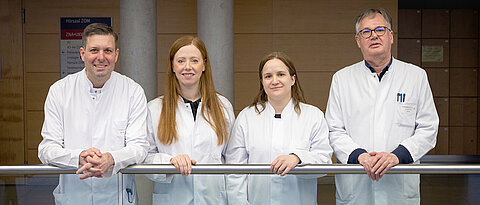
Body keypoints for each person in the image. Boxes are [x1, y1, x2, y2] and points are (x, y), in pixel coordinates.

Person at [326, 8, 439, 204]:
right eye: (366, 32)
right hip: (356, 184)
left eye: (380, 29)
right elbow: (333, 130)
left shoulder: (416, 76)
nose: (374, 36)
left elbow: (428, 128)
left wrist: (397, 157)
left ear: (391, 36)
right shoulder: (341, 79)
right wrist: (359, 156)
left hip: (399, 182)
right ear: (358, 41)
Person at [38, 23, 149, 205]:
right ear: (82, 54)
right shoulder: (59, 91)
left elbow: (140, 147)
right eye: (94, 50)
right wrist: (78, 158)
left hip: (117, 196)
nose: (101, 57)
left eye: (108, 50)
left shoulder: (133, 91)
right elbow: (46, 149)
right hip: (73, 196)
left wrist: (111, 159)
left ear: (116, 55)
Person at [225, 52, 333, 204]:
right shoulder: (246, 117)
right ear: (262, 82)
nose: (274, 81)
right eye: (268, 76)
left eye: (281, 74)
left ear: (292, 79)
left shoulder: (313, 116)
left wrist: (297, 158)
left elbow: (324, 161)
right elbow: (235, 171)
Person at [144, 35, 235, 204]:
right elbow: (145, 156)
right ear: (172, 66)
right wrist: (169, 161)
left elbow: (233, 158)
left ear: (204, 65)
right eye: (181, 61)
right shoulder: (154, 109)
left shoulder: (223, 106)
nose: (188, 67)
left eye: (194, 60)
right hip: (173, 197)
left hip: (214, 197)